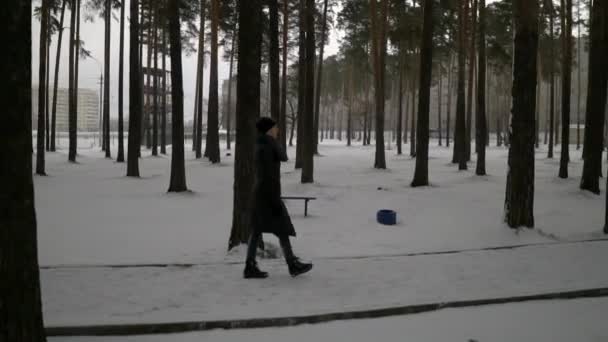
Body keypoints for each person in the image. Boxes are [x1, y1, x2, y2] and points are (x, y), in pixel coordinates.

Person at [244, 117, 313, 279]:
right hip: (268, 194)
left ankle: (251, 266)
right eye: (275, 128)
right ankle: (291, 264)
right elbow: (268, 176)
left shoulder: (263, 145)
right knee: (279, 228)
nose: (278, 130)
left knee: (258, 229)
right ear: (269, 130)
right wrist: (274, 199)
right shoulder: (267, 147)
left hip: (263, 193)